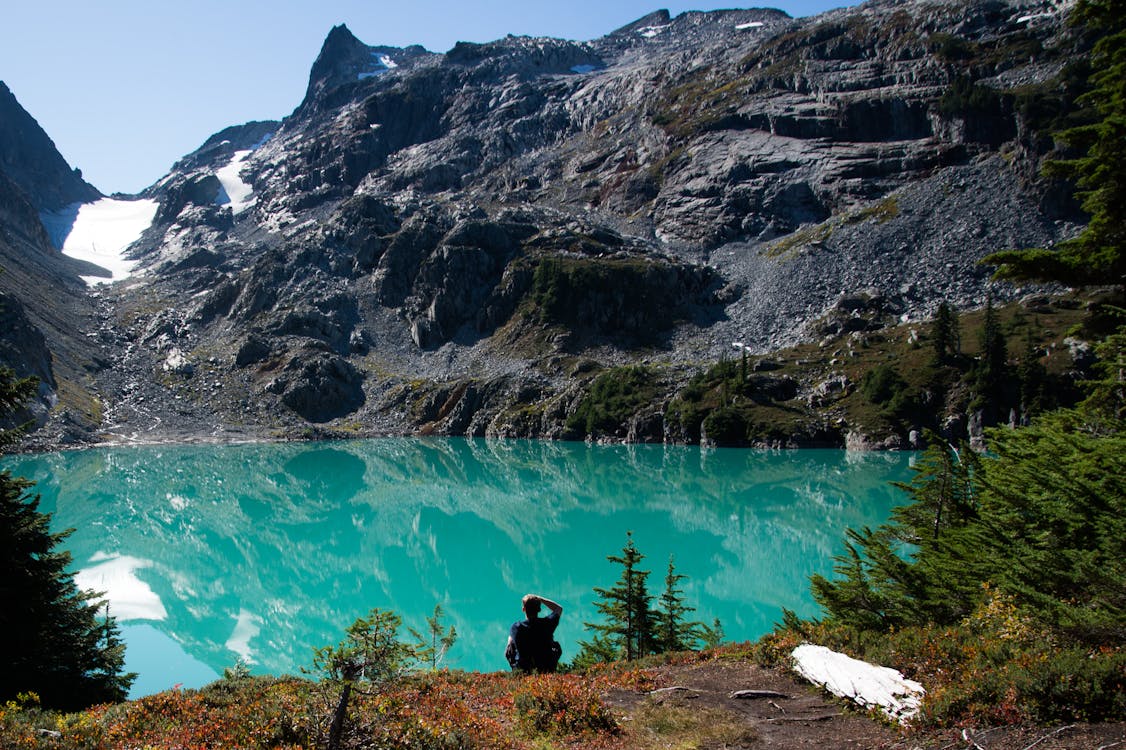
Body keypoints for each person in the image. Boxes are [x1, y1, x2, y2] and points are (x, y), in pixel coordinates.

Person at [505, 593, 563, 673]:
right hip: (546, 668)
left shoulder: (516, 627)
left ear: (523, 609)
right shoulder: (547, 623)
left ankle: (516, 671)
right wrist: (541, 599)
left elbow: (509, 648)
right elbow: (558, 608)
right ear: (539, 609)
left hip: (523, 670)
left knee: (510, 639)